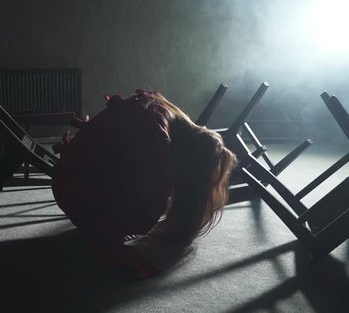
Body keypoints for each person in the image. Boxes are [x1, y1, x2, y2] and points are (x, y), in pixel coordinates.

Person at [52, 89, 236, 277]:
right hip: (75, 194)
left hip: (65, 179)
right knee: (150, 207)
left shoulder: (158, 109)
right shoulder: (159, 150)